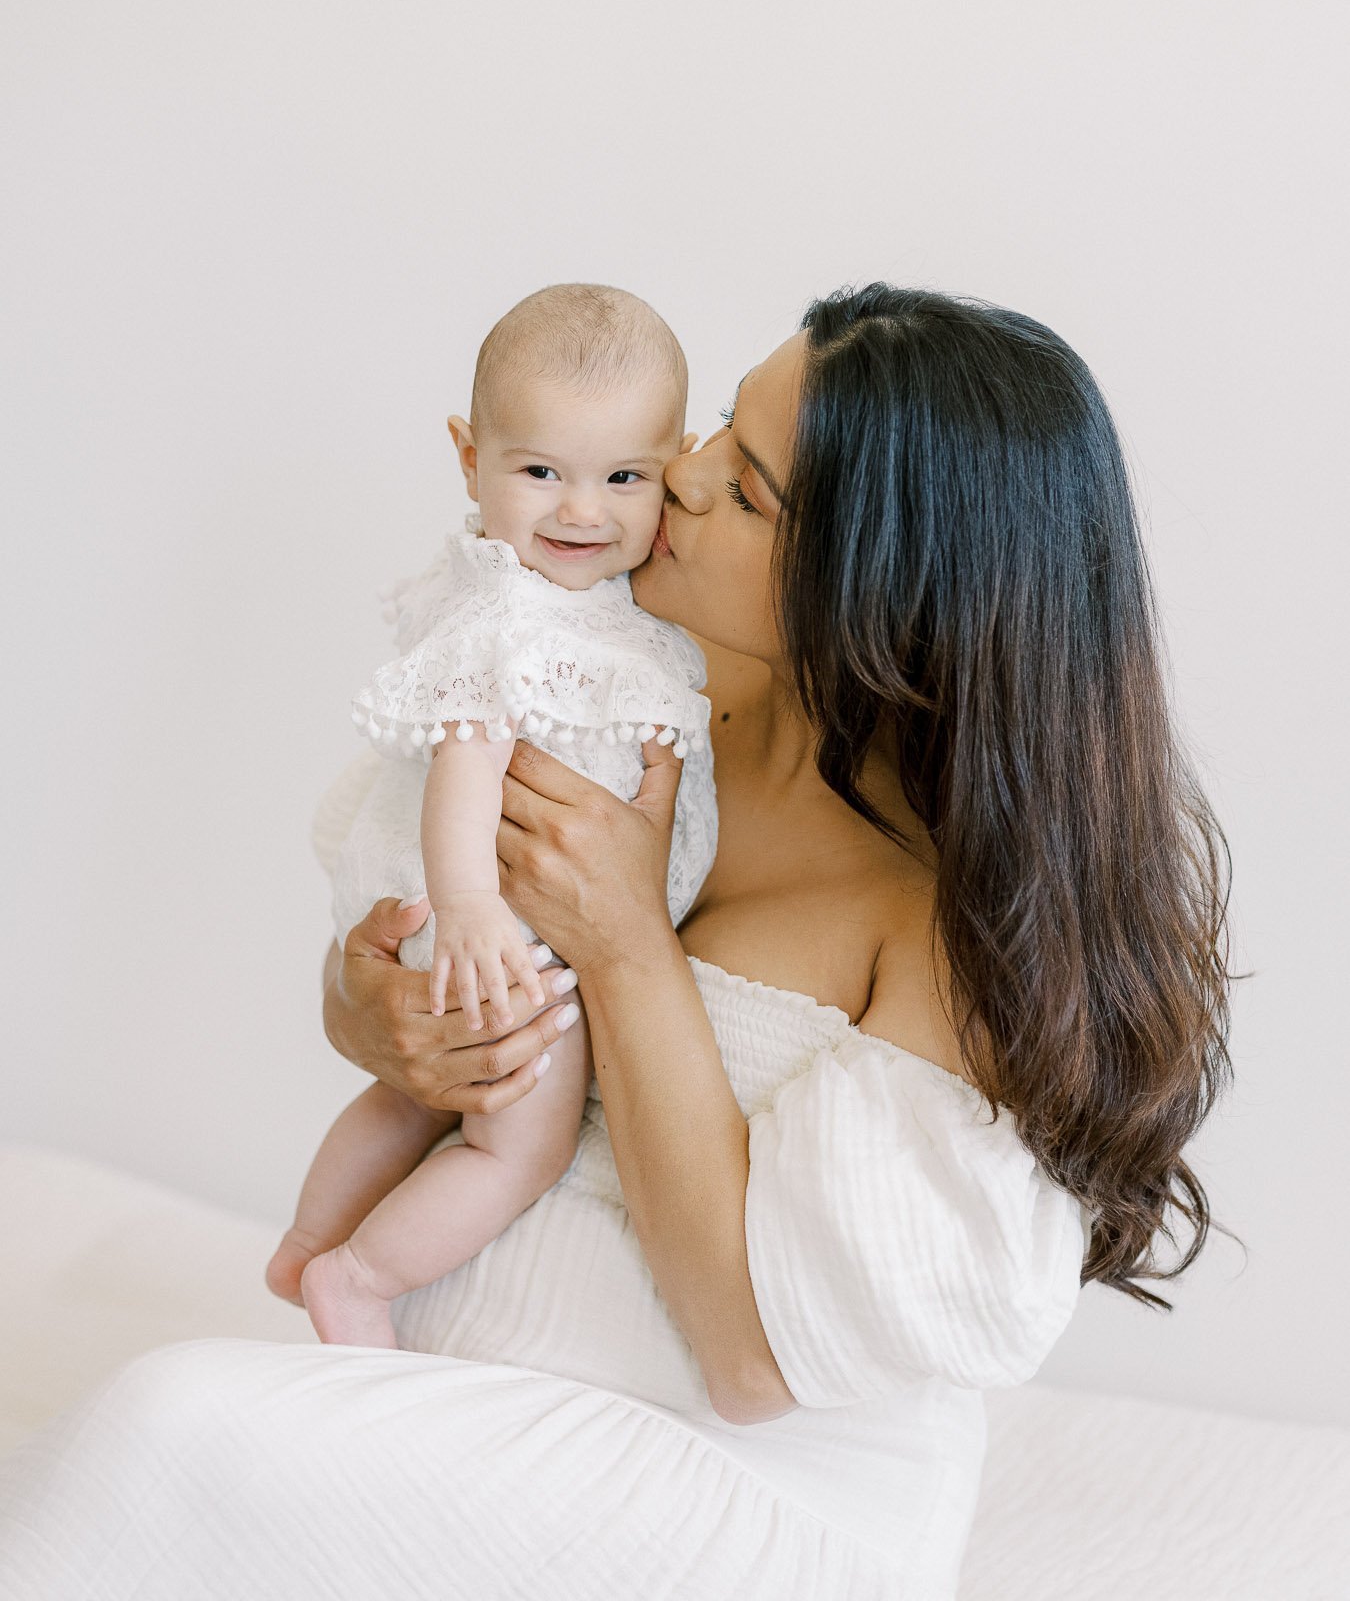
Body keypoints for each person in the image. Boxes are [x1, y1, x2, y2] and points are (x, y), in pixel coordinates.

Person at [0, 284, 1234, 1601]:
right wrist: (374, 1011)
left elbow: (753, 1364)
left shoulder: (949, 935)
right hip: (474, 1396)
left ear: (887, 593)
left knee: (165, 1430)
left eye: (747, 489)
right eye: (716, 426)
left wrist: (630, 941)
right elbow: (415, 890)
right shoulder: (644, 679)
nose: (681, 475)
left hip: (744, 1484)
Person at [264, 283, 717, 1350]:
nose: (581, 511)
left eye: (624, 478)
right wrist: (469, 907)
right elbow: (471, 754)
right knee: (518, 1144)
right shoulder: (522, 615)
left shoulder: (572, 596)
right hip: (494, 930)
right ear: (470, 458)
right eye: (540, 471)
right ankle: (359, 1278)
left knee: (415, 1097)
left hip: (471, 912)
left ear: (675, 466)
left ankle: (304, 1241)